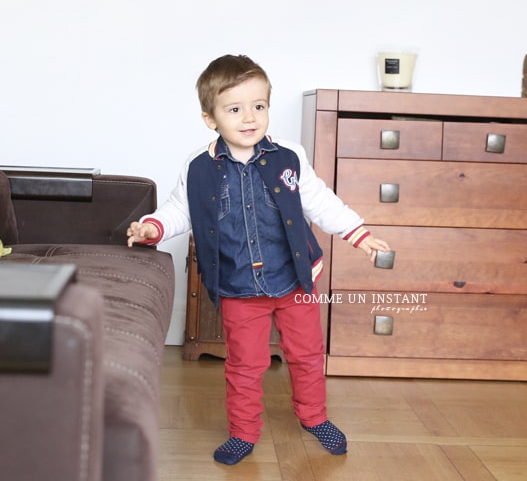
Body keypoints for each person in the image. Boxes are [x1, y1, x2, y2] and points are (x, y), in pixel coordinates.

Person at [126, 54, 391, 465]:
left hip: (294, 280)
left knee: (306, 354)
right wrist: (152, 227)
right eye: (234, 109)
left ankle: (314, 416)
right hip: (238, 287)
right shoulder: (198, 168)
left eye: (259, 106)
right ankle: (244, 432)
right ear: (209, 118)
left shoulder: (289, 157)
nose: (249, 117)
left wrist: (360, 233)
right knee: (246, 365)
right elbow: (182, 210)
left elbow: (320, 201)